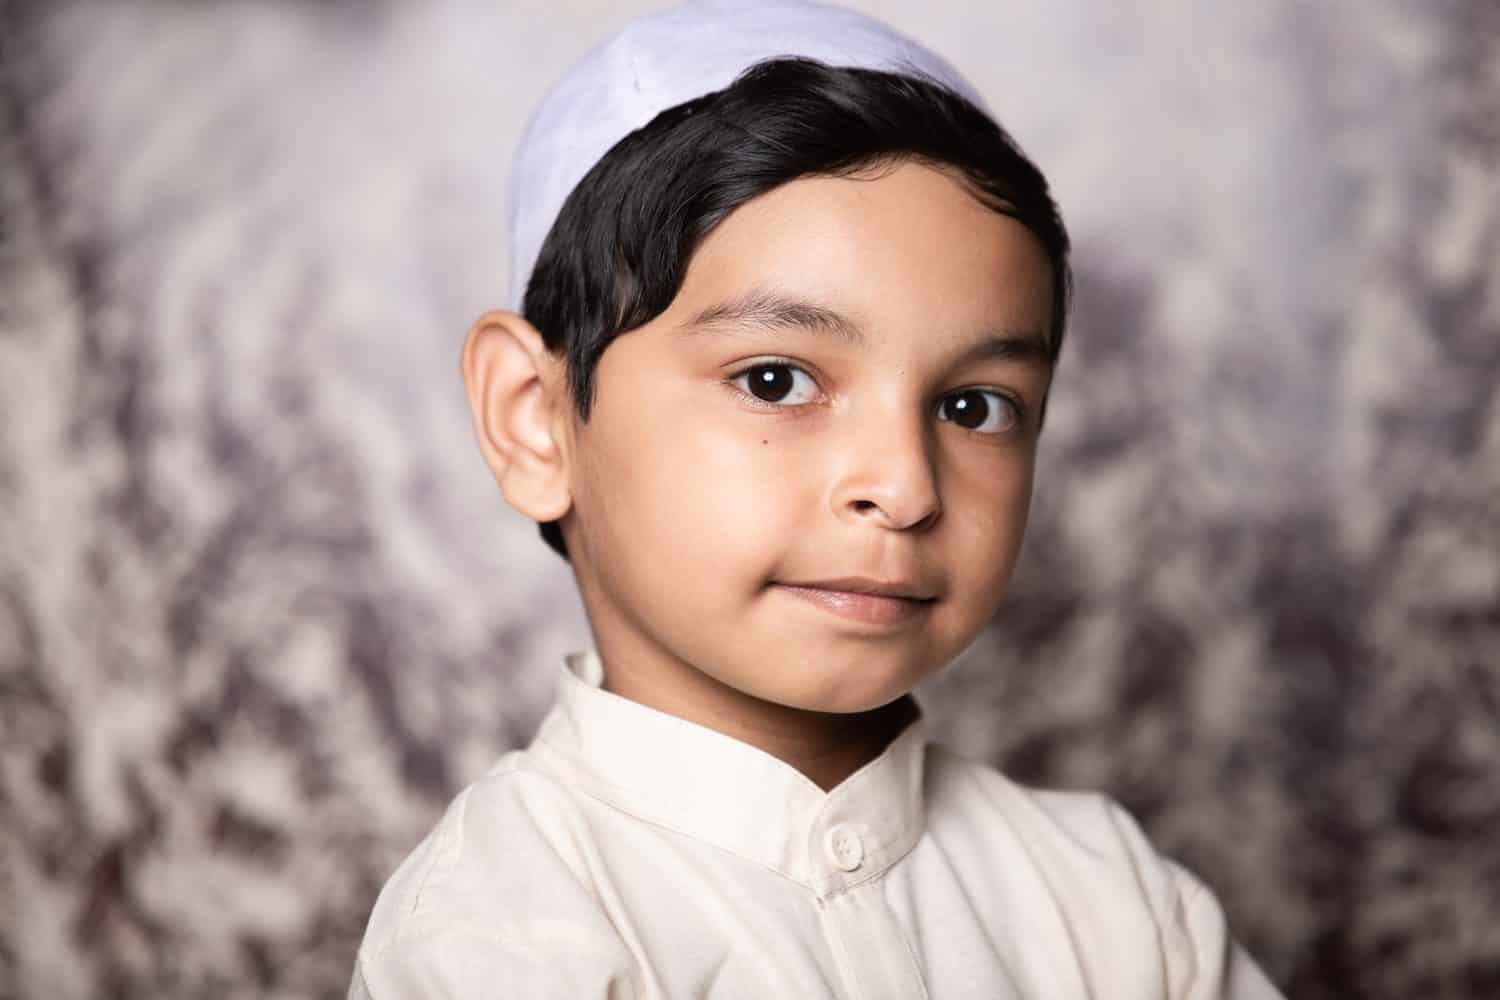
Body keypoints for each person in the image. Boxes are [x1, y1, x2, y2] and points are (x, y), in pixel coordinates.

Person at [347, 1, 1286, 996]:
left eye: (974, 405)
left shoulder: (1117, 900)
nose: (904, 486)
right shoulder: (502, 934)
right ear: (535, 418)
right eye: (775, 380)